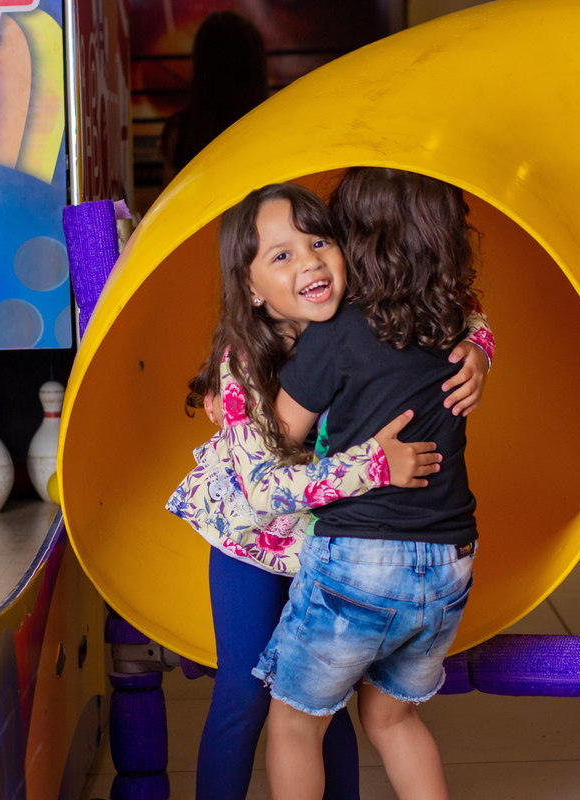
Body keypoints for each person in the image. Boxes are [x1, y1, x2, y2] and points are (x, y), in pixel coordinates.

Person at [166, 182, 493, 800]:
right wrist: (370, 468)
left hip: (331, 544)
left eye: (319, 242)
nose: (309, 262)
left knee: (325, 699)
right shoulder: (245, 362)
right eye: (281, 255)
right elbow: (262, 493)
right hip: (256, 542)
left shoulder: (365, 318)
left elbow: (461, 304)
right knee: (244, 690)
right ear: (253, 287)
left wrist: (478, 346)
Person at [250, 168, 482, 800]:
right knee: (393, 717)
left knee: (295, 724)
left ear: (357, 240)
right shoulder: (457, 327)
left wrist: (247, 380)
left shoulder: (336, 334)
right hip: (450, 561)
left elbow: (281, 432)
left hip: (360, 560)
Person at [160, 11, 268, 184]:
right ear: (257, 68)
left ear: (201, 67)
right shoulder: (271, 130)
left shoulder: (179, 133)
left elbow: (170, 202)